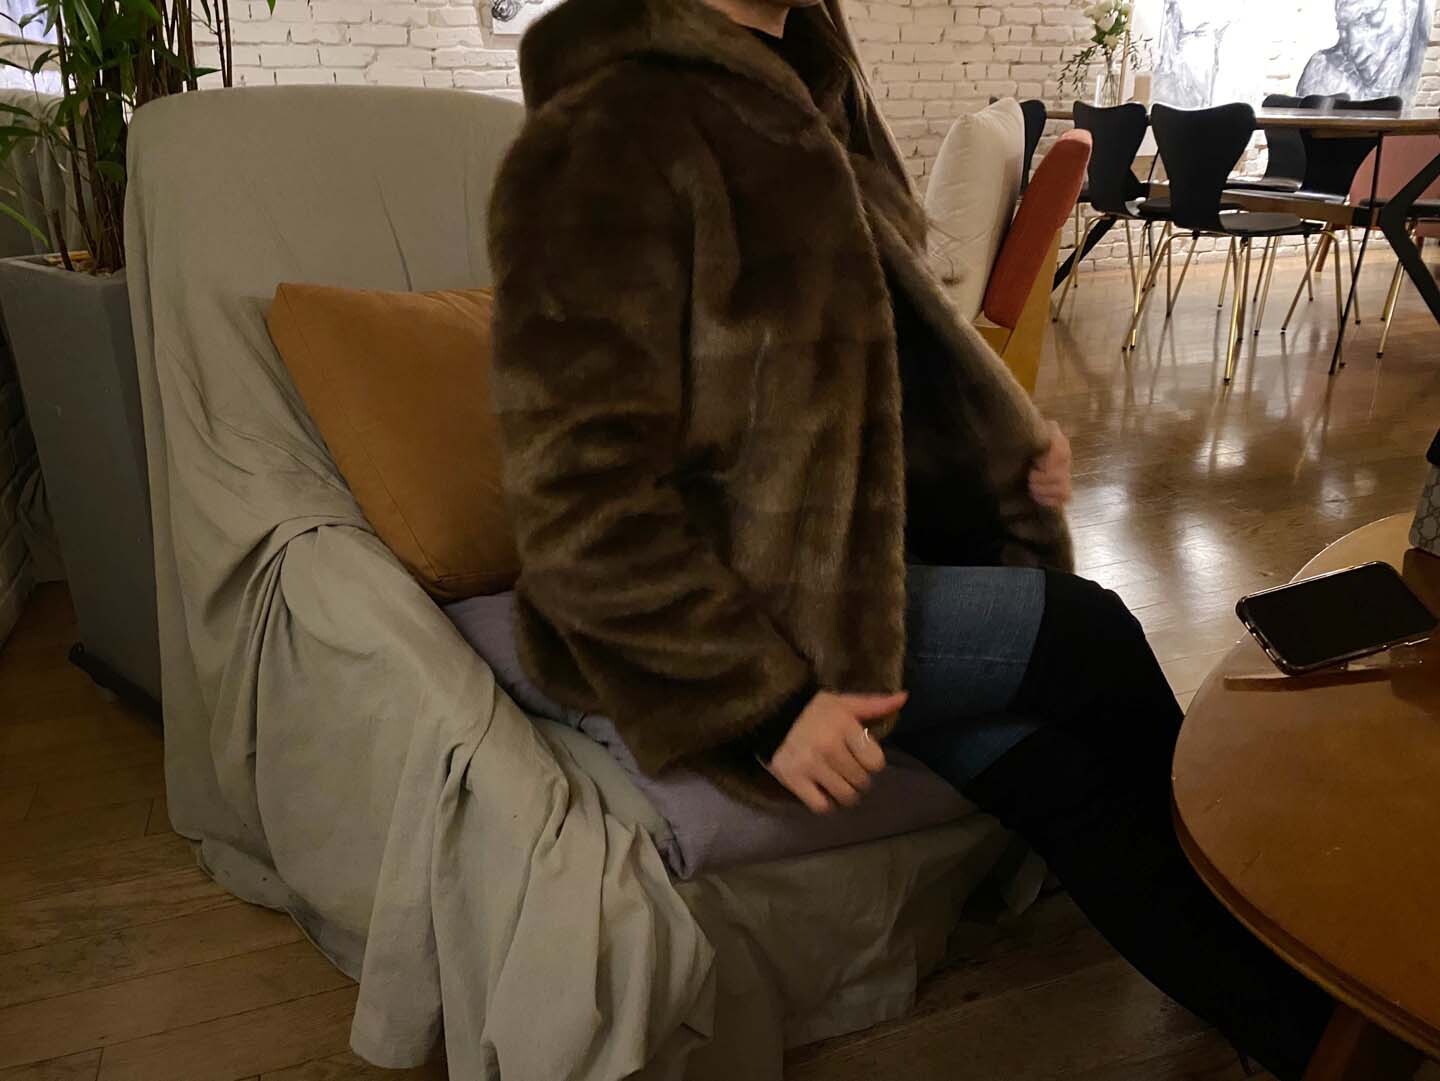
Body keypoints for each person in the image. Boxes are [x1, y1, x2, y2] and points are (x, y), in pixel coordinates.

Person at [487, 0, 1335, 1076]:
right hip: (728, 615)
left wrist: (998, 443)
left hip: (843, 559)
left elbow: (871, 340)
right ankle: (1297, 955)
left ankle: (1313, 1036)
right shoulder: (609, 128)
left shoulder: (805, 70)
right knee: (1089, 635)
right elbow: (576, 498)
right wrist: (760, 702)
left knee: (1057, 777)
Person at [1298, 0, 1431, 101]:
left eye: (1370, 18)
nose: (1352, 46)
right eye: (1343, 27)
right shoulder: (1323, 71)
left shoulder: (1423, 69)